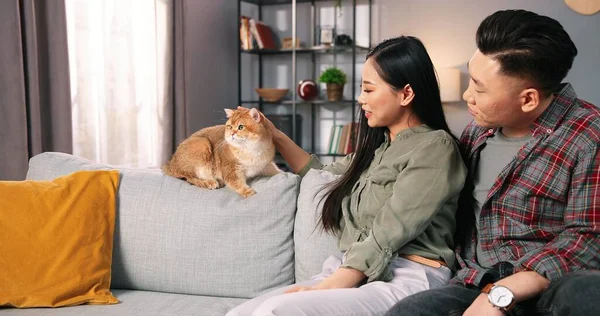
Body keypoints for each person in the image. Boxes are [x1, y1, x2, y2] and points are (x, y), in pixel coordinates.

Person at [226, 36, 467, 316]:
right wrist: (275, 135)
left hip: (409, 275)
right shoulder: (377, 150)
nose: (360, 99)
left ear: (406, 94)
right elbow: (317, 173)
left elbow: (391, 229)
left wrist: (327, 288)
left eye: (368, 89)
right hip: (353, 272)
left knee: (278, 312)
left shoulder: (435, 148)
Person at [386, 9, 600, 316]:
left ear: (528, 99)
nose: (466, 95)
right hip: (474, 282)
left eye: (479, 88)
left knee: (590, 294)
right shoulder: (476, 132)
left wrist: (504, 293)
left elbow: (589, 238)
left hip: (548, 285)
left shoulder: (589, 134)